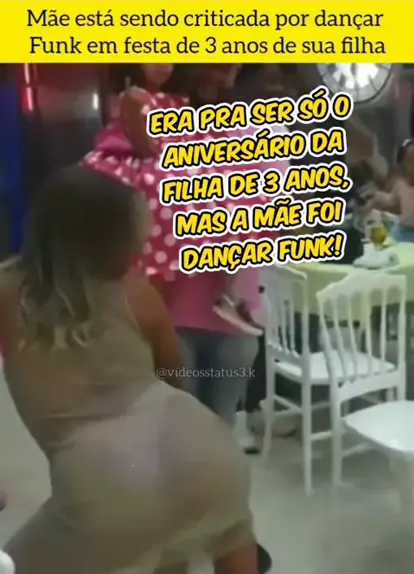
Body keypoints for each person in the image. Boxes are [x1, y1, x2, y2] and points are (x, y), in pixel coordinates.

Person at [0, 166, 257, 574]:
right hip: (206, 450)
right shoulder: (137, 293)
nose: (138, 253)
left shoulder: (8, 293)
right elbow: (174, 377)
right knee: (219, 534)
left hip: (105, 485)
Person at [84, 63, 284, 336]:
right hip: (154, 173)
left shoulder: (191, 109)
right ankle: (158, 312)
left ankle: (224, 291)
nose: (162, 65)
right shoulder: (139, 100)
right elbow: (144, 147)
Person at [364, 138, 414, 241]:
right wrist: (376, 196)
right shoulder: (400, 183)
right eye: (409, 162)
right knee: (390, 238)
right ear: (402, 165)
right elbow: (390, 199)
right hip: (403, 230)